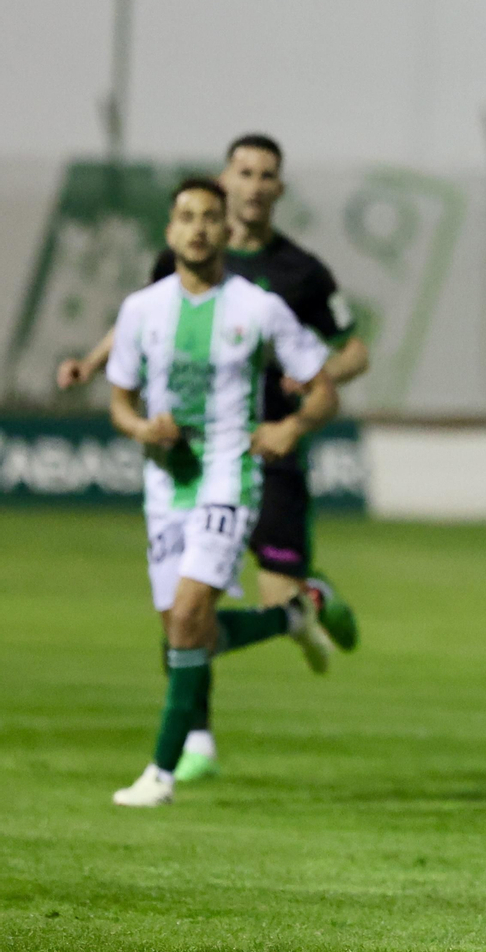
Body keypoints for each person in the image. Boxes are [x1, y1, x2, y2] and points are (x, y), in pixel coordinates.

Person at [59, 134, 363, 782]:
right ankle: (273, 638)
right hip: (173, 474)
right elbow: (134, 329)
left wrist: (303, 396)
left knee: (208, 603)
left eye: (266, 175)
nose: (253, 185)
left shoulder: (293, 277)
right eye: (243, 172)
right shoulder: (162, 287)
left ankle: (176, 757)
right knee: (185, 621)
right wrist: (97, 372)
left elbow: (350, 353)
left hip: (258, 456)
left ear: (274, 190)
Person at [106, 178, 341, 808]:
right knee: (190, 635)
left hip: (229, 478)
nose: (199, 228)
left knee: (186, 618)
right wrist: (140, 427)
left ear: (224, 230)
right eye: (187, 216)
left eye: (210, 217)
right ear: (170, 230)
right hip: (165, 482)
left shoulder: (256, 308)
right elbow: (119, 403)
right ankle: (292, 615)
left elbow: (323, 386)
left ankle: (160, 774)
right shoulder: (142, 309)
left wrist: (290, 426)